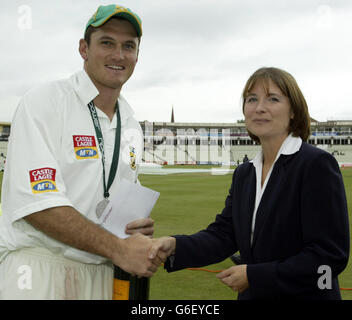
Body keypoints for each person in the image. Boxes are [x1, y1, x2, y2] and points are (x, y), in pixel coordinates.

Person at [0, 4, 158, 300]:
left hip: (104, 272)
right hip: (40, 269)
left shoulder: (131, 122)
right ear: (84, 48)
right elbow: (39, 205)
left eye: (129, 46)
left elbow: (117, 197)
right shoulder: (45, 102)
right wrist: (118, 247)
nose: (118, 55)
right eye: (107, 43)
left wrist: (135, 226)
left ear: (137, 55)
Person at [150, 67, 350, 300]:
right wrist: (175, 245)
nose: (259, 108)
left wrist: (255, 276)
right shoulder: (245, 173)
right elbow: (224, 235)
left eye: (273, 99)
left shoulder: (315, 165)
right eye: (251, 99)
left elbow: (329, 257)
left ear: (294, 110)